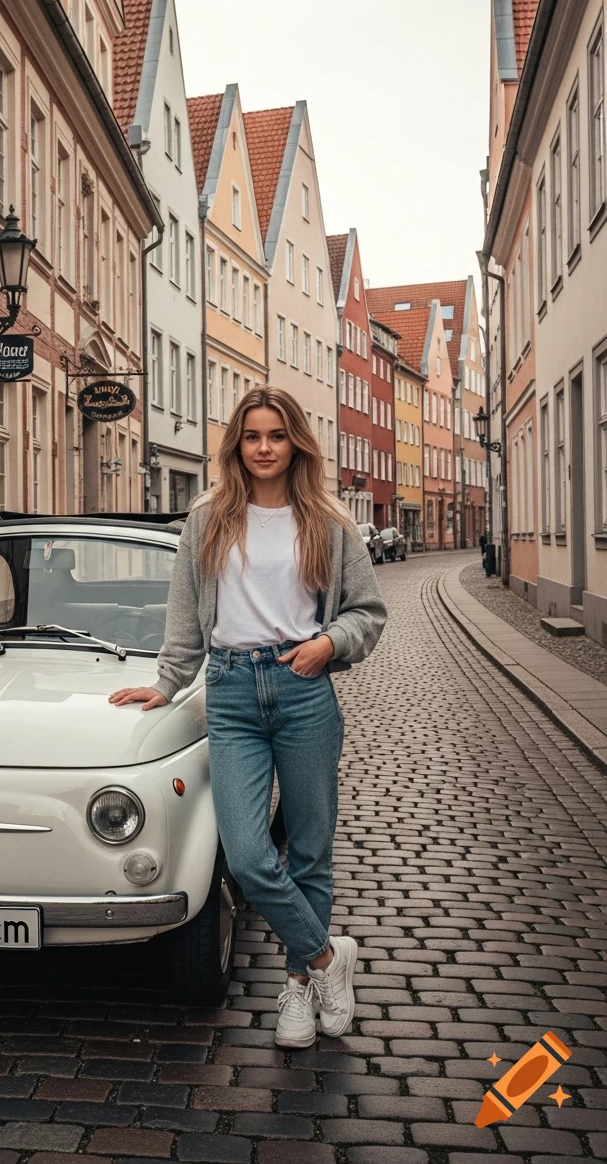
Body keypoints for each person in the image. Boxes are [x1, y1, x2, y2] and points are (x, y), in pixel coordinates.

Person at [109, 387, 387, 1048]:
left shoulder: (327, 518)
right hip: (231, 691)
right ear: (237, 444)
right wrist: (167, 683)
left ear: (296, 444)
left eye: (278, 436)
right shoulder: (209, 516)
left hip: (302, 689)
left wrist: (329, 644)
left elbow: (367, 613)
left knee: (311, 851)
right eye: (253, 436)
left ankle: (296, 987)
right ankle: (327, 959)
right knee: (248, 852)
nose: (264, 448)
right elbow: (184, 618)